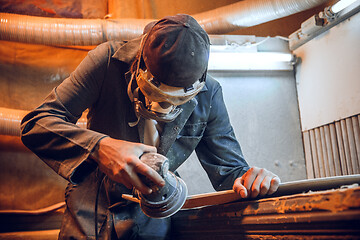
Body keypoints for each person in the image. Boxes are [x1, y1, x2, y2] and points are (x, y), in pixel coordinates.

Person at [21, 14, 280, 240]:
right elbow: (37, 123)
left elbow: (230, 172)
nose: (162, 108)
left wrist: (250, 179)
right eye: (155, 93)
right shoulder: (107, 61)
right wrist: (102, 147)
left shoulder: (209, 93)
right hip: (91, 208)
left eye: (175, 99)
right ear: (140, 64)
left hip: (155, 213)